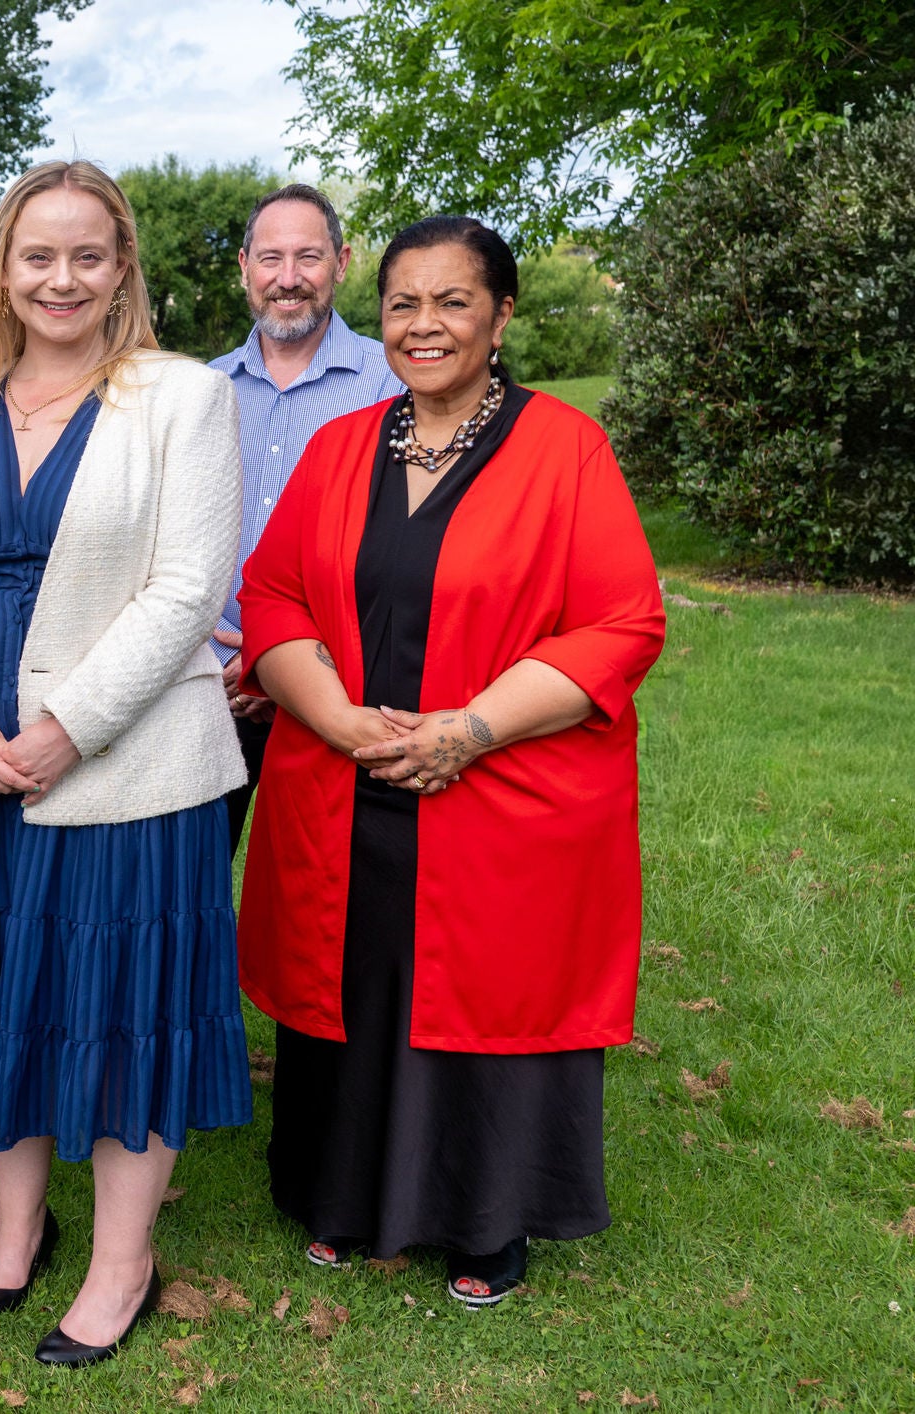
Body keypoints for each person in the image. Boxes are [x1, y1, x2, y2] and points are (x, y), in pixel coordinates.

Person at [235, 215, 666, 1306]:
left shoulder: (562, 447)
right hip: (347, 780)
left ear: (501, 315)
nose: (422, 325)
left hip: (497, 787)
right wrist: (336, 720)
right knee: (353, 977)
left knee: (483, 989)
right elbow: (272, 595)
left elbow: (621, 623)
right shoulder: (342, 447)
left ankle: (484, 1219)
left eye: (451, 302)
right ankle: (339, 1196)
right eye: (401, 305)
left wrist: (463, 732)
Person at [0, 160, 249, 1367]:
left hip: (121, 761)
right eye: (37, 255)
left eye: (88, 255)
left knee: (118, 1007)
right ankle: (17, 1225)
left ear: (122, 269)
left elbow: (189, 587)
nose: (61, 278)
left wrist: (65, 726)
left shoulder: (178, 398)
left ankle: (121, 1262)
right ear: (1, 266)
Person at [209, 184, 402, 851]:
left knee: (318, 903)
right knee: (191, 890)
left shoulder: (393, 384)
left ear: (343, 262)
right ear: (244, 267)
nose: (288, 280)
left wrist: (284, 663)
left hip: (337, 687)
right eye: (270, 258)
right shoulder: (200, 392)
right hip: (208, 687)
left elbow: (402, 542)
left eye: (308, 257)